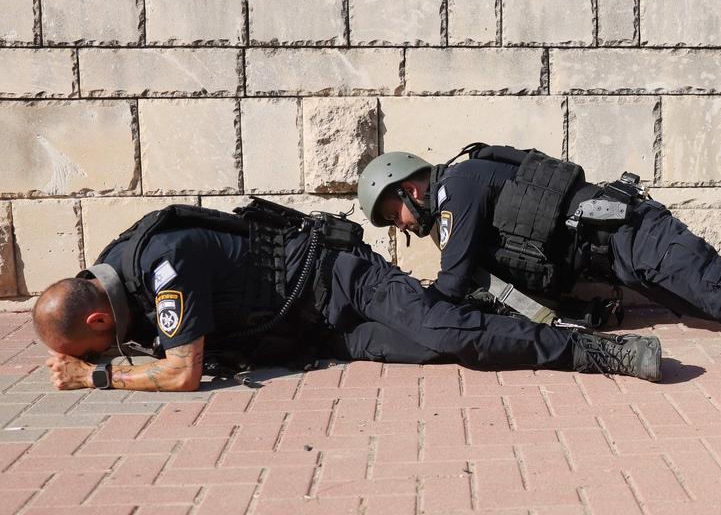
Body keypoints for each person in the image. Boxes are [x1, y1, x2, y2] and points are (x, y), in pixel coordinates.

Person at [356, 145, 721, 384]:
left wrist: (412, 309)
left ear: (410, 186)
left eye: (395, 213)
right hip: (629, 255)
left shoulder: (459, 187)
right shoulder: (465, 188)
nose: (402, 226)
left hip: (638, 237)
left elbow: (455, 284)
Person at [35, 199, 663, 392]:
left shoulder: (160, 264)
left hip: (340, 276)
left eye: (94, 345)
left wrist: (100, 380)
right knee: (440, 347)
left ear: (97, 315)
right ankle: (507, 314)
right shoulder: (113, 270)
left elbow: (183, 372)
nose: (100, 353)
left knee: (448, 333)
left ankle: (604, 354)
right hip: (318, 329)